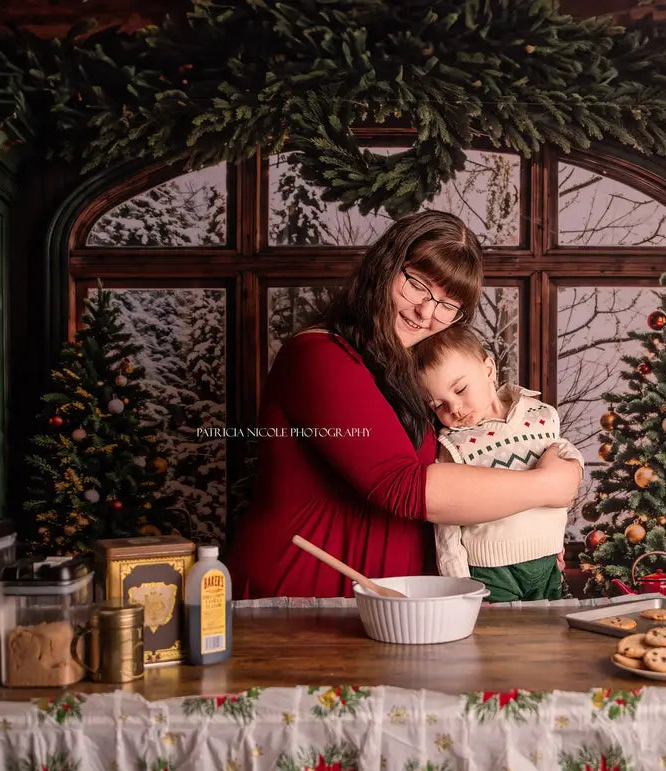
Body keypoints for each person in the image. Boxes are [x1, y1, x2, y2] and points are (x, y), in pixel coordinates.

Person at [226, 211, 582, 597]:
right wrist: (547, 486)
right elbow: (401, 487)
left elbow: (464, 478)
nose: (427, 313)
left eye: (449, 305)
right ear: (385, 266)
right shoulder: (318, 356)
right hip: (303, 597)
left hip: (391, 606)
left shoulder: (410, 375)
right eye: (417, 285)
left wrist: (522, 545)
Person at [414, 326, 582, 602]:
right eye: (438, 405)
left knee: (554, 636)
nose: (454, 408)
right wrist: (459, 587)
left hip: (547, 562)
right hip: (490, 573)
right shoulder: (452, 446)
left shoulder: (542, 415)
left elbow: (562, 468)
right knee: (495, 641)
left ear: (489, 369)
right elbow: (446, 526)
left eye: (460, 389)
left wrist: (555, 540)